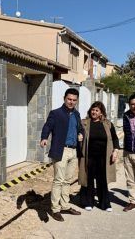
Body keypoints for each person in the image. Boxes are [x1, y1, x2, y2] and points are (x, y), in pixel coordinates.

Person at [40, 88, 84, 222]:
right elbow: (47, 126)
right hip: (61, 150)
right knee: (58, 180)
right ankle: (55, 209)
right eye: (69, 99)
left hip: (74, 151)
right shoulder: (56, 113)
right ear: (64, 98)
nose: (71, 102)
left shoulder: (76, 114)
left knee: (67, 180)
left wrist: (81, 134)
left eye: (74, 100)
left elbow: (80, 128)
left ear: (76, 101)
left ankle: (64, 205)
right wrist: (44, 138)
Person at [78, 101, 120, 212]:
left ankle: (105, 204)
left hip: (104, 157)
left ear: (101, 113)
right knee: (88, 178)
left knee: (102, 180)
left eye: (97, 110)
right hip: (88, 156)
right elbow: (77, 133)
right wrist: (79, 137)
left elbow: (115, 138)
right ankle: (88, 202)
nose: (94, 112)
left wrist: (115, 151)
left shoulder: (107, 124)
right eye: (93, 110)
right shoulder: (84, 123)